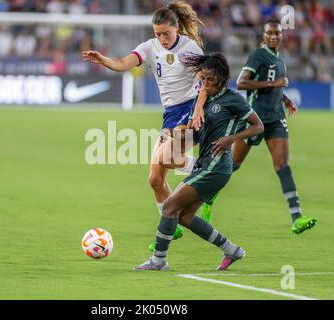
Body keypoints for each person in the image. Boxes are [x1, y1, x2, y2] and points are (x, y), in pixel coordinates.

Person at [82, 1, 210, 248]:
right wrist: (104, 60)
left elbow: (206, 80)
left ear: (176, 28)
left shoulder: (189, 46)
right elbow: (122, 64)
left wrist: (199, 108)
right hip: (171, 114)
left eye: (166, 33)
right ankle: (171, 228)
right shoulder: (149, 47)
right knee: (154, 179)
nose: (162, 38)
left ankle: (204, 171)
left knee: (165, 157)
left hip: (189, 108)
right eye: (157, 34)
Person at [135, 52, 264, 271]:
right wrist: (173, 132)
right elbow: (196, 129)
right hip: (206, 164)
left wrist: (230, 140)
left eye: (210, 80)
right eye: (202, 80)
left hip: (217, 165)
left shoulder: (233, 99)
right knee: (185, 217)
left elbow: (258, 126)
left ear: (221, 79)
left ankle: (158, 260)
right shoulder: (203, 99)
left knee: (169, 208)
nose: (205, 84)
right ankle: (231, 250)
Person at [191, 19, 317, 234]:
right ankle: (207, 200)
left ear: (281, 35)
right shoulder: (259, 55)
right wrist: (273, 84)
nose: (274, 37)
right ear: (264, 35)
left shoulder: (280, 58)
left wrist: (285, 99)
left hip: (276, 118)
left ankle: (297, 217)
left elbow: (275, 86)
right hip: (254, 117)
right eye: (270, 33)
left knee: (283, 166)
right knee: (234, 164)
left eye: (277, 33)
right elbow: (241, 82)